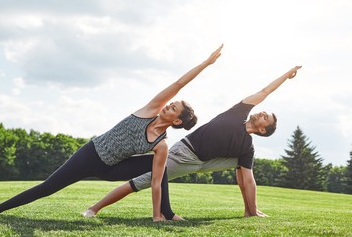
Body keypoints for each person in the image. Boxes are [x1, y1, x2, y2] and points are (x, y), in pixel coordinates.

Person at [0, 44, 224, 222]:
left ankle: (166, 214)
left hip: (112, 168)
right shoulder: (150, 109)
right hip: (91, 155)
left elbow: (157, 181)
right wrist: (205, 63)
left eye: (173, 108)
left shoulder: (162, 145)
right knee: (48, 187)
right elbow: (179, 83)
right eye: (171, 103)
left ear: (177, 120)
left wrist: (156, 215)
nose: (169, 105)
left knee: (160, 169)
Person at [82, 65, 302, 219]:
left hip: (207, 162)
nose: (262, 112)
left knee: (244, 167)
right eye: (264, 112)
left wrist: (252, 208)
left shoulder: (247, 147)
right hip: (185, 154)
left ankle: (250, 211)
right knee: (142, 181)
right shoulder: (238, 113)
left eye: (265, 117)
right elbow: (265, 91)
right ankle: (94, 209)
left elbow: (248, 180)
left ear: (262, 129)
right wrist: (285, 75)